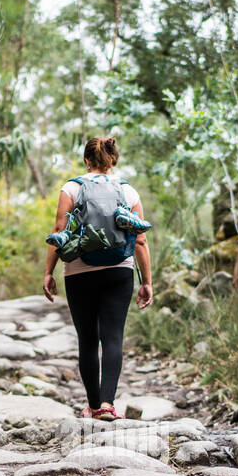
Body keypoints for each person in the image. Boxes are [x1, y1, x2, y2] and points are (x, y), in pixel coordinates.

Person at [43, 136, 153, 419]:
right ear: (113, 160)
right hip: (120, 270)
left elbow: (59, 229)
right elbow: (140, 241)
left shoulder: (72, 187)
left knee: (88, 340)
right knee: (113, 337)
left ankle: (92, 406)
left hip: (79, 272)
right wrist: (147, 281)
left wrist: (48, 272)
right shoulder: (128, 192)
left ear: (86, 160)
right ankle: (107, 404)